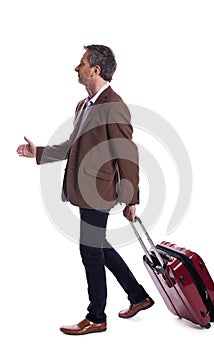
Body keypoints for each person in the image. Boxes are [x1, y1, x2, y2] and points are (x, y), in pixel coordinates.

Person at [17, 45, 154, 335]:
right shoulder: (83, 105)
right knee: (99, 245)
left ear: (96, 70)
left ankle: (96, 317)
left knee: (90, 251)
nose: (76, 68)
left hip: (99, 192)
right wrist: (38, 152)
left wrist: (131, 199)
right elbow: (70, 146)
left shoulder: (114, 105)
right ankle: (138, 296)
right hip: (82, 190)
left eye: (81, 63)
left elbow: (126, 154)